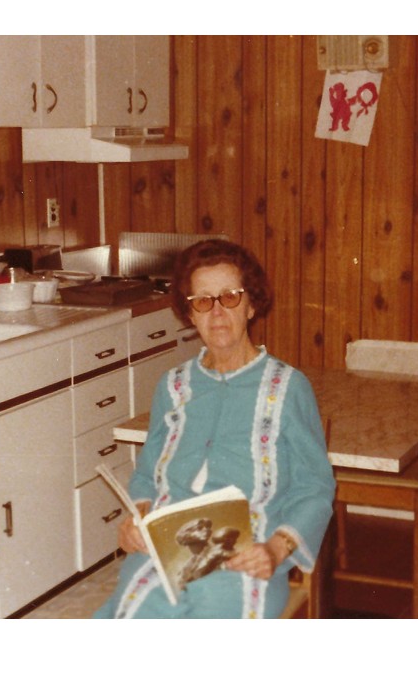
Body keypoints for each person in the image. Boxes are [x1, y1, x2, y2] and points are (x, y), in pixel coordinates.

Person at [93, 239, 336, 619]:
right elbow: (147, 476)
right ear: (190, 314)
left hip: (245, 556)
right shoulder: (172, 387)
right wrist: (135, 520)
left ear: (252, 304)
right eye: (203, 301)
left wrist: (275, 549)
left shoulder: (288, 387)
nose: (217, 312)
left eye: (230, 297)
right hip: (167, 551)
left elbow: (315, 488)